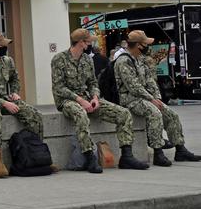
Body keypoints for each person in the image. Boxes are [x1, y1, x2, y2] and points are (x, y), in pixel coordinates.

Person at [51, 29, 148, 173]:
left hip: (88, 99)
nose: (91, 43)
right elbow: (59, 88)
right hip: (67, 101)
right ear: (81, 43)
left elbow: (93, 83)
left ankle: (126, 156)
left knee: (123, 114)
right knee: (80, 114)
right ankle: (90, 157)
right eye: (89, 41)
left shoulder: (87, 59)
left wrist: (95, 97)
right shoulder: (59, 59)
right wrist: (80, 100)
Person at [114, 30, 201, 166]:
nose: (147, 46)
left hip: (145, 97)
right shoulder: (123, 61)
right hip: (130, 99)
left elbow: (150, 80)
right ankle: (158, 153)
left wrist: (157, 98)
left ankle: (180, 149)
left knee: (171, 114)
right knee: (154, 113)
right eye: (145, 43)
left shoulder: (140, 59)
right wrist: (151, 99)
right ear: (138, 45)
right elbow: (133, 86)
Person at [0, 31, 46, 178]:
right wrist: (4, 103)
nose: (5, 47)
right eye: (2, 45)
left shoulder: (8, 61)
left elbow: (15, 79)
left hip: (5, 99)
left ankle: (37, 154)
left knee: (33, 114)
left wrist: (15, 92)